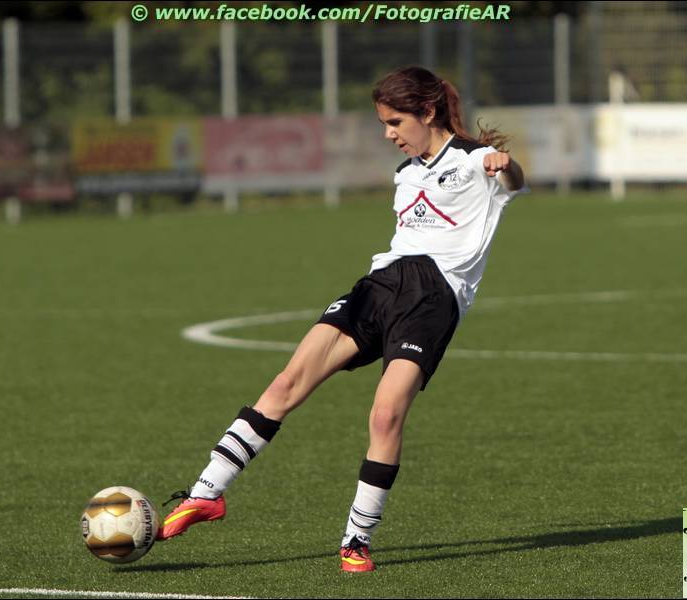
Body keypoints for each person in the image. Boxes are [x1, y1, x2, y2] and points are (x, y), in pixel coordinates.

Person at [156, 65, 527, 573]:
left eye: (395, 122)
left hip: (432, 299)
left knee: (385, 414)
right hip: (379, 286)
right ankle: (206, 493)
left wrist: (505, 164)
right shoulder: (406, 173)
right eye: (384, 123)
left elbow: (512, 180)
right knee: (287, 382)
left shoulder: (474, 159)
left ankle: (357, 539)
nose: (389, 134)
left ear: (427, 111)